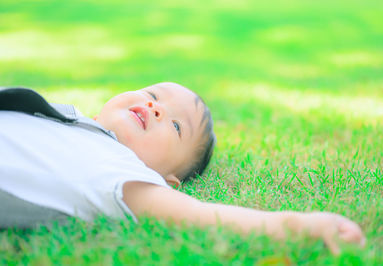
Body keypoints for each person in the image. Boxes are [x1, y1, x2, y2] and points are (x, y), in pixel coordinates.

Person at [0, 82, 364, 254]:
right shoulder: (71, 121)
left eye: (176, 126)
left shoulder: (122, 172)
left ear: (164, 180)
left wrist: (303, 225)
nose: (155, 108)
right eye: (152, 95)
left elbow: (200, 214)